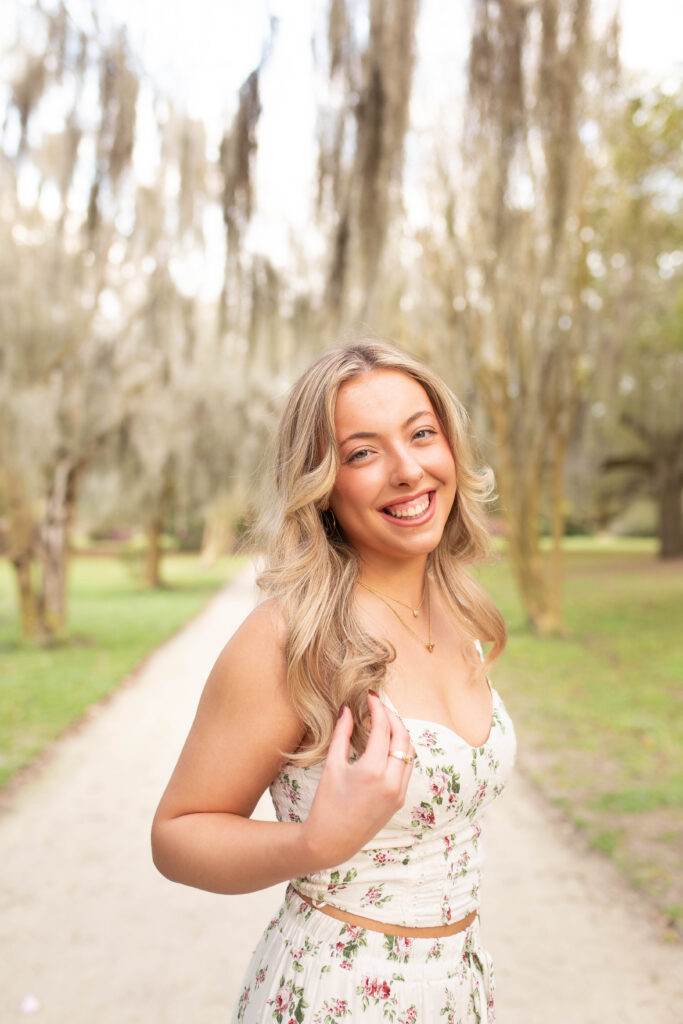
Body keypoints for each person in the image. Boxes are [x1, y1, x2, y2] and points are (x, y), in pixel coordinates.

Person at [151, 338, 516, 1023]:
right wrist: (312, 844)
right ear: (322, 486)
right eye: (362, 452)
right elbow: (177, 835)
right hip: (336, 998)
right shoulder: (290, 637)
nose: (407, 470)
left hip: (456, 992)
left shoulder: (453, 607)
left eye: (421, 435)